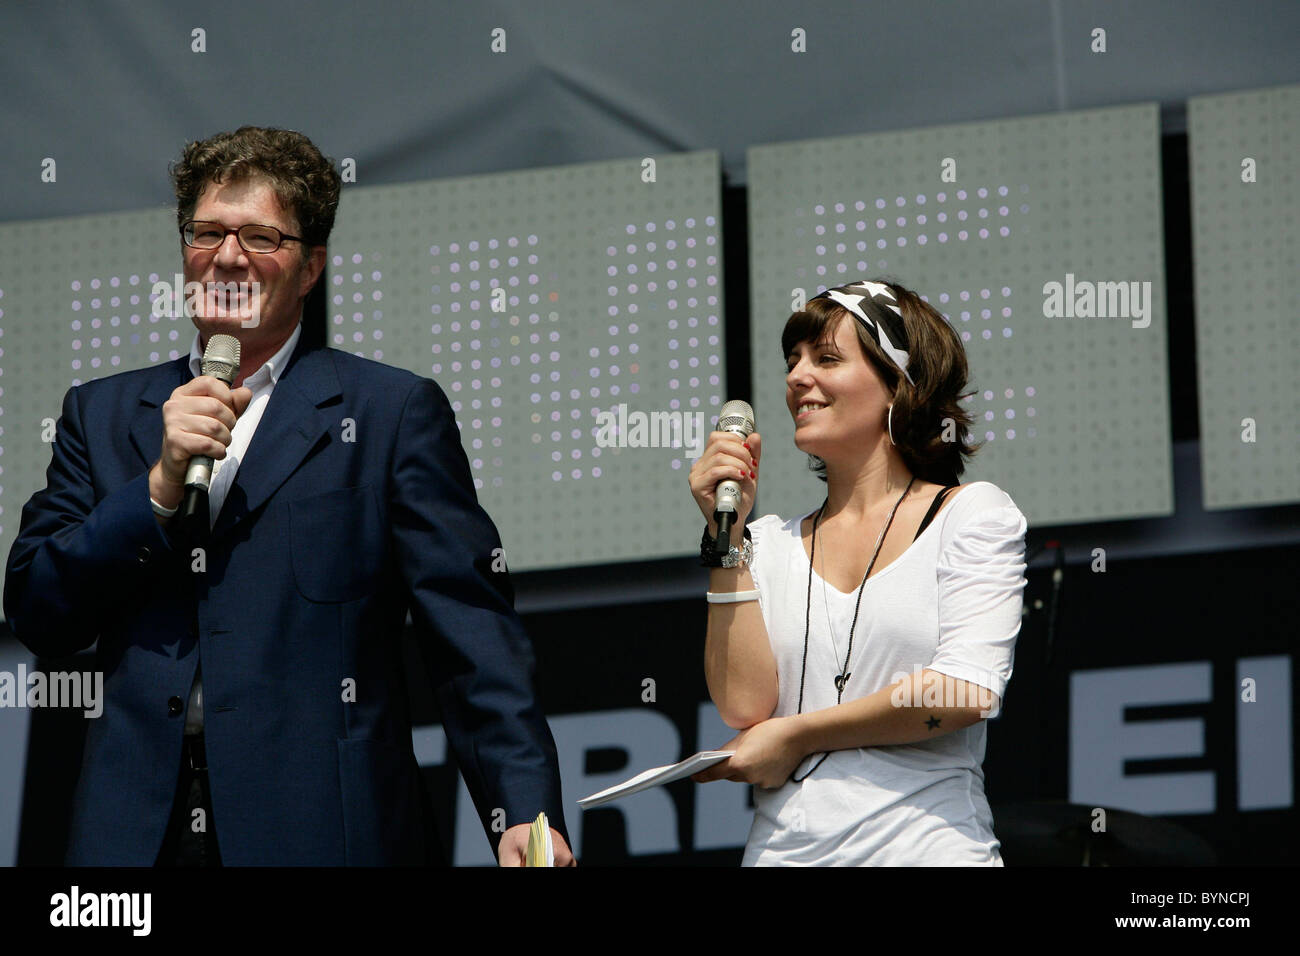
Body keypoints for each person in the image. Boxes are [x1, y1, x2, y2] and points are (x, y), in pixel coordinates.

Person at [4, 126, 574, 866]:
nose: (229, 256)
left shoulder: (387, 414)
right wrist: (156, 491)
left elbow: (473, 644)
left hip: (325, 833)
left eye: (260, 236)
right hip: (135, 843)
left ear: (311, 268)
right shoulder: (102, 414)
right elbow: (40, 610)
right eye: (207, 232)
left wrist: (524, 814)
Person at [688, 279, 1027, 865]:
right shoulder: (764, 543)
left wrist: (798, 733)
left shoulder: (970, 514)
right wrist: (726, 541)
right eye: (793, 361)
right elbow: (744, 710)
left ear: (898, 383)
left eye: (826, 358)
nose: (796, 378)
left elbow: (967, 689)